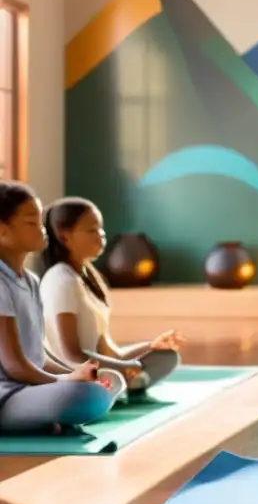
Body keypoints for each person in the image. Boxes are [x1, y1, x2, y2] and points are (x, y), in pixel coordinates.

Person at [0, 182, 119, 432]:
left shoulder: (31, 281)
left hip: (31, 388)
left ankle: (47, 417)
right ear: (2, 232)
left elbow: (40, 357)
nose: (43, 228)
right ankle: (46, 416)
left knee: (109, 381)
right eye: (32, 222)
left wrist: (79, 373)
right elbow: (15, 366)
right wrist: (65, 381)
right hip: (6, 396)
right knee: (83, 396)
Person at [38, 197, 184, 397]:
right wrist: (126, 368)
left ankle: (121, 387)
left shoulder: (88, 277)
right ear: (64, 236)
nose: (101, 235)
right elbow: (70, 354)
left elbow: (111, 353)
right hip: (75, 375)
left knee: (167, 356)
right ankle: (118, 387)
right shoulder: (61, 280)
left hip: (99, 367)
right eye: (92, 230)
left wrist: (150, 346)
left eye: (101, 229)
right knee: (121, 374)